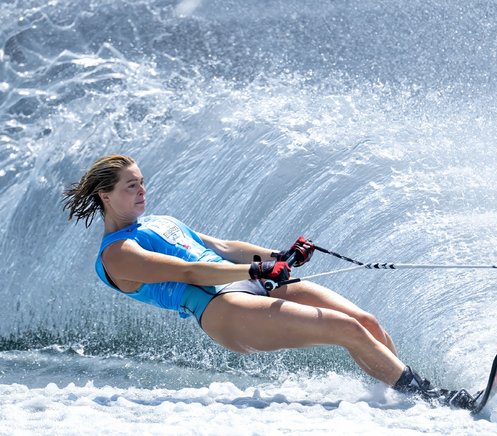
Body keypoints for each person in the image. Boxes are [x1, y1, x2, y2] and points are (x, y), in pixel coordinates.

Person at [62, 154, 476, 409]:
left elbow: (223, 247)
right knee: (344, 330)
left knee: (366, 323)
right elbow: (189, 272)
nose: (142, 190)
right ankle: (439, 401)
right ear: (104, 195)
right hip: (222, 308)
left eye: (142, 181)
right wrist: (255, 272)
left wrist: (277, 257)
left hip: (251, 283)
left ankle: (404, 400)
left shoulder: (161, 221)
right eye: (131, 185)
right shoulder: (116, 254)